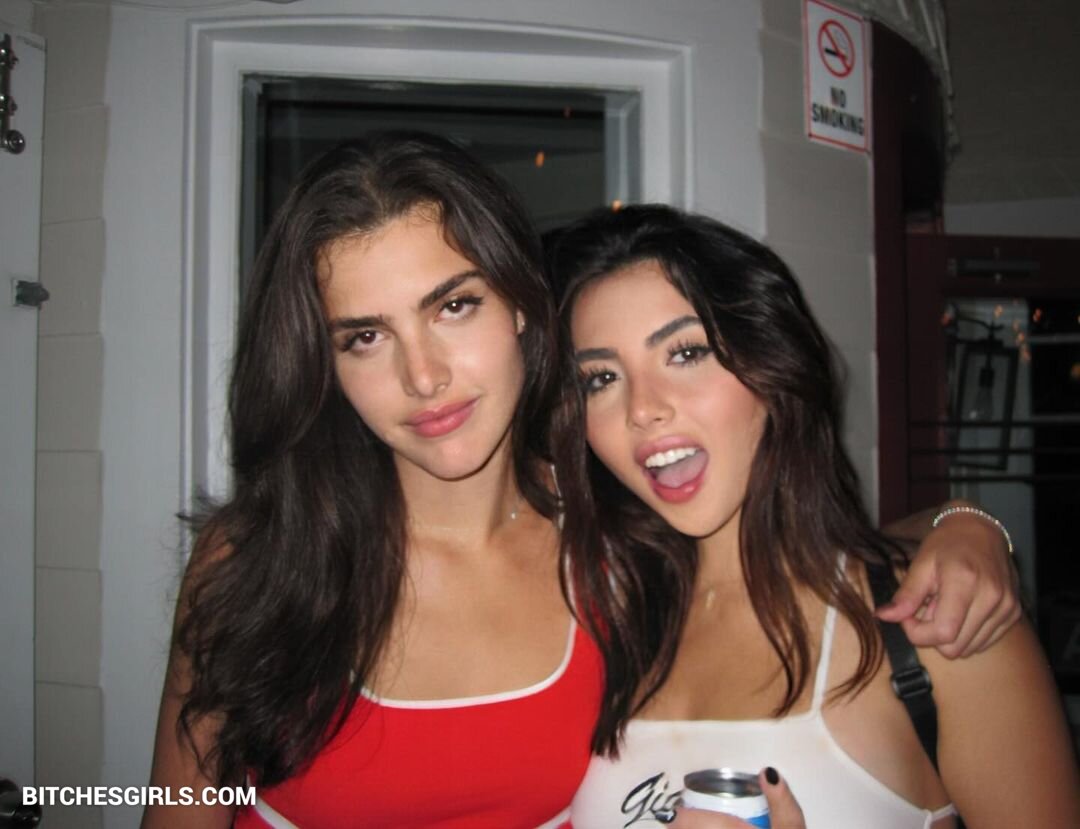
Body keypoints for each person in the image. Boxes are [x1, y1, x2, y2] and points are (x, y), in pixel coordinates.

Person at [143, 133, 1018, 829]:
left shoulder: (611, 541)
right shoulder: (255, 562)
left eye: (455, 305)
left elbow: (798, 542)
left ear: (523, 310)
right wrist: (968, 519)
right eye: (364, 337)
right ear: (322, 363)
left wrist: (966, 521)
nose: (424, 376)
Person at [548, 203, 1080, 828]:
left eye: (687, 353)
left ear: (773, 364)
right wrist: (964, 516)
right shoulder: (598, 617)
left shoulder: (941, 621)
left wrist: (968, 520)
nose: (643, 409)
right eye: (601, 378)